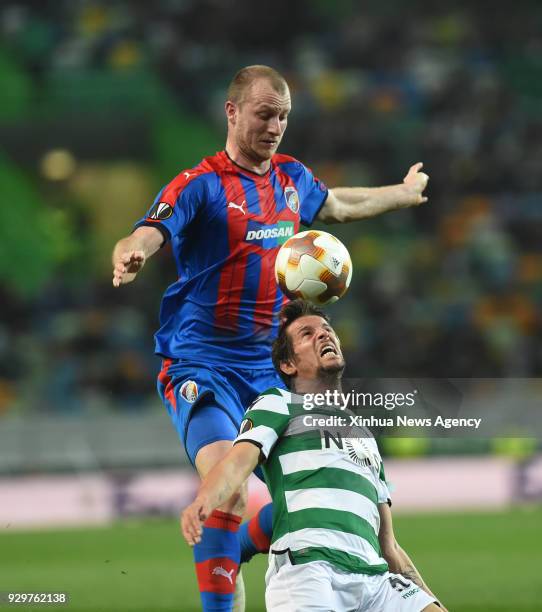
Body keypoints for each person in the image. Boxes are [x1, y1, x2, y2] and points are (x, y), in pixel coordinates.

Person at [112, 65, 429, 611]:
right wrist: (133, 250)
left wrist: (402, 193)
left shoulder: (291, 179)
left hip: (269, 367)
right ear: (232, 112)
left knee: (315, 491)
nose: (276, 125)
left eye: (283, 115)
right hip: (202, 364)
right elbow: (150, 228)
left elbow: (341, 206)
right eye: (264, 113)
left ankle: (232, 545)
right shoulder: (200, 185)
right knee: (225, 487)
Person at [182, 300, 446, 611]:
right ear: (288, 365)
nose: (323, 335)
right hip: (309, 573)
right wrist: (205, 500)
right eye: (307, 333)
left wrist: (429, 597)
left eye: (327, 330)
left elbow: (389, 545)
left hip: (375, 581)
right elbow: (239, 461)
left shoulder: (363, 435)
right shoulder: (278, 403)